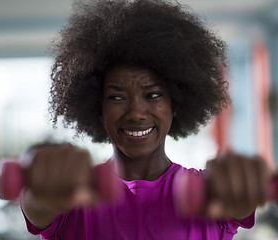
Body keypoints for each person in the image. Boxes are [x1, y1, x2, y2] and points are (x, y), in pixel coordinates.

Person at [19, 0, 273, 239]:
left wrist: (244, 186)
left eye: (153, 95)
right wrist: (41, 187)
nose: (136, 113)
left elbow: (240, 204)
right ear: (98, 108)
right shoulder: (71, 195)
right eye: (117, 98)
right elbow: (36, 204)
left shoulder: (209, 193)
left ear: (176, 104)